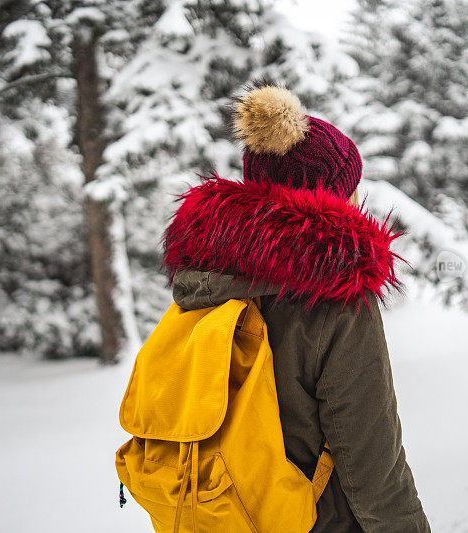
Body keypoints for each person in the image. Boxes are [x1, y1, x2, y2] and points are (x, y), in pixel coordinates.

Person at [161, 84, 430, 532]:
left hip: (224, 512)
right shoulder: (337, 298)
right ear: (327, 195)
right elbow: (372, 462)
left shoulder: (205, 279)